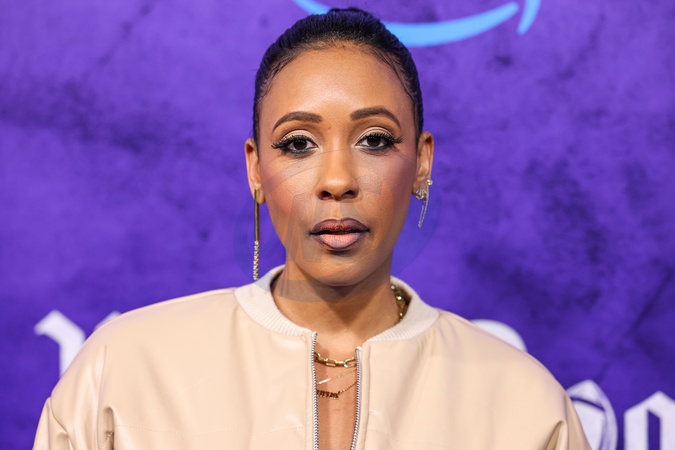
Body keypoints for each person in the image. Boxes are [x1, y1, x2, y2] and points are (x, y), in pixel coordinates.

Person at [33, 8, 591, 450]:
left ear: (422, 162)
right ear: (256, 169)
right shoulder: (123, 372)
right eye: (298, 143)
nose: (337, 180)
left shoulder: (525, 406)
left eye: (375, 140)